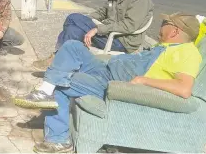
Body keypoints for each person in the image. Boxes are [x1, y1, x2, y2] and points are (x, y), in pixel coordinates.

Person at [14, 12, 202, 153]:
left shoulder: (187, 52)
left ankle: (59, 139)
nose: (161, 26)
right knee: (73, 46)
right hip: (106, 69)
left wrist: (143, 80)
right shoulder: (165, 46)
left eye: (165, 23)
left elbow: (184, 89)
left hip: (113, 84)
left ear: (175, 30)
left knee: (62, 82)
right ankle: (45, 89)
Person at [32, 0, 154, 71]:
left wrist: (97, 29)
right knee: (73, 29)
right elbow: (103, 12)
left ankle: (60, 58)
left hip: (121, 40)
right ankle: (60, 59)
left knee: (73, 18)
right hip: (108, 32)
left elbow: (129, 26)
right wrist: (86, 21)